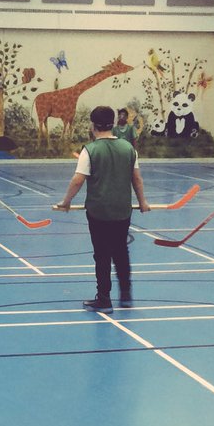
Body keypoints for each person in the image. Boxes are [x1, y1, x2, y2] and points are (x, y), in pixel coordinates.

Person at [54, 104, 150, 310]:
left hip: (98, 211)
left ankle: (104, 298)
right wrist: (142, 202)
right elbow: (137, 179)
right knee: (121, 251)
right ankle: (125, 295)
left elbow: (78, 180)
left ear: (93, 126)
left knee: (102, 254)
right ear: (113, 124)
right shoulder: (129, 149)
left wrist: (66, 201)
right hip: (122, 210)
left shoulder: (89, 150)